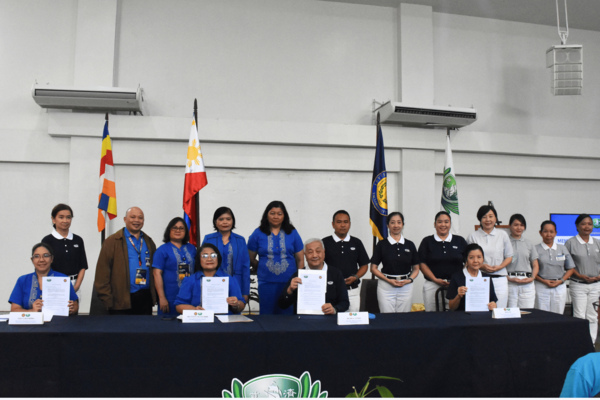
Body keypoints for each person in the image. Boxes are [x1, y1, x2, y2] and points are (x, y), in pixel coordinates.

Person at [94, 206, 157, 315]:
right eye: (132, 217)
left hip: (145, 299)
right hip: (120, 301)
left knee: (144, 331)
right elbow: (102, 274)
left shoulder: (149, 241)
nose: (136, 220)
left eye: (140, 218)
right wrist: (107, 300)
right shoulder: (112, 242)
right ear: (125, 219)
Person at [248, 201, 304, 315]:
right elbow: (250, 257)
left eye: (279, 213)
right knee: (267, 316)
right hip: (266, 283)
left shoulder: (292, 232)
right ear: (266, 215)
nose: (276, 216)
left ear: (284, 216)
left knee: (287, 316)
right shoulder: (258, 233)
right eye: (272, 213)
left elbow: (300, 259)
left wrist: (298, 277)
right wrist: (262, 267)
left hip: (289, 283)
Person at [279, 238, 349, 314]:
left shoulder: (336, 274)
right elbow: (282, 305)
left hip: (329, 320)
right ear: (305, 255)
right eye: (310, 252)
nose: (314, 255)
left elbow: (345, 302)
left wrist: (335, 309)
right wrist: (289, 291)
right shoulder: (298, 275)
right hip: (302, 321)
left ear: (324, 252)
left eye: (318, 251)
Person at [370, 212, 420, 313]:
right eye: (392, 222)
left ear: (403, 225)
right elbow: (373, 268)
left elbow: (416, 268)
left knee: (403, 319)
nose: (396, 225)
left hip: (405, 286)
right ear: (388, 225)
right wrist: (388, 280)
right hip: (386, 287)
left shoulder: (410, 244)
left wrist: (409, 280)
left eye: (399, 222)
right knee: (387, 319)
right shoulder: (382, 244)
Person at [418, 211, 468, 312]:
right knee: (432, 317)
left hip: (455, 285)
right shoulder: (427, 241)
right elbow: (421, 263)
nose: (443, 225)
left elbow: (468, 262)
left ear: (450, 224)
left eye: (446, 222)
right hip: (432, 285)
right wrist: (435, 279)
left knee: (455, 316)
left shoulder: (460, 241)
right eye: (440, 222)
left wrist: (458, 278)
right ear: (434, 224)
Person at [9, 242, 78, 315]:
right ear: (32, 260)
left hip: (58, 324)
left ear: (51, 259)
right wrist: (32, 311)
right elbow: (14, 310)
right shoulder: (22, 280)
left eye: (46, 255)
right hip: (30, 324)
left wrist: (72, 309)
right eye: (37, 256)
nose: (41, 260)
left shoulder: (63, 279)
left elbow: (75, 305)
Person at [174, 243, 245, 314]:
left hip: (225, 322)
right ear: (199, 259)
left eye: (213, 255)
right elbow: (179, 306)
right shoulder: (189, 280)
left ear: (218, 258)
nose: (209, 259)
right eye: (205, 256)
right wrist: (194, 309)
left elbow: (241, 305)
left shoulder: (230, 279)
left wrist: (236, 304)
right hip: (200, 321)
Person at [466, 205, 513, 308]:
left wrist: (499, 267)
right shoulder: (473, 236)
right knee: (480, 310)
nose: (488, 219)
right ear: (479, 219)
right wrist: (481, 266)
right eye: (484, 217)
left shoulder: (503, 234)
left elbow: (509, 256)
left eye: (491, 216)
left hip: (500, 278)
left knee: (499, 310)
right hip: (479, 278)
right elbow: (467, 259)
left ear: (495, 218)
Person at [322, 210, 369, 312]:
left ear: (350, 224)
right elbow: (318, 265)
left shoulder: (356, 242)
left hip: (352, 291)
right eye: (339, 222)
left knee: (352, 324)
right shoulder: (324, 242)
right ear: (333, 224)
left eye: (345, 222)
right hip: (330, 292)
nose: (342, 225)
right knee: (330, 324)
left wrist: (355, 277)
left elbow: (364, 265)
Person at [202, 207, 251, 303]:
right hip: (213, 284)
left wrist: (245, 292)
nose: (225, 222)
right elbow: (201, 263)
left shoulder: (240, 240)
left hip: (236, 284)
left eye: (228, 219)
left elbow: (245, 267)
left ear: (233, 221)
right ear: (215, 222)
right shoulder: (208, 239)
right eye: (221, 219)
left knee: (234, 313)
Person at [41, 204, 88, 301]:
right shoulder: (47, 240)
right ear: (53, 219)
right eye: (61, 217)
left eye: (68, 217)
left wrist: (76, 287)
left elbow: (82, 266)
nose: (65, 221)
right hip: (54, 285)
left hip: (74, 285)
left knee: (73, 314)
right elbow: (43, 266)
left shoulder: (78, 240)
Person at [565, 214, 600, 343]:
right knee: (579, 315)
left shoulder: (597, 243)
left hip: (596, 285)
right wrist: (579, 275)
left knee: (592, 315)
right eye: (583, 224)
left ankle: (590, 343)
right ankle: (579, 343)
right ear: (577, 226)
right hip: (578, 284)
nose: (587, 226)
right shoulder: (570, 243)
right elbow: (567, 265)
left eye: (590, 224)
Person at [152, 217, 196, 316]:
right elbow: (156, 274)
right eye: (174, 228)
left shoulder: (192, 249)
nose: (178, 230)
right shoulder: (162, 250)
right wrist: (162, 297)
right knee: (168, 328)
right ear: (169, 230)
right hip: (169, 297)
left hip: (191, 296)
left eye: (181, 228)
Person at [534, 220, 575, 314]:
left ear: (555, 233)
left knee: (558, 315)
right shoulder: (535, 249)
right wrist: (544, 281)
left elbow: (571, 268)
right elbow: (532, 271)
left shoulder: (562, 248)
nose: (549, 234)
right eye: (545, 231)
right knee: (542, 315)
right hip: (541, 286)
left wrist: (561, 281)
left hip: (559, 286)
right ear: (540, 233)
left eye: (551, 232)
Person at [446, 243, 498, 312]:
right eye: (471, 257)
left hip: (483, 316)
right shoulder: (456, 277)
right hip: (461, 317)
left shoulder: (486, 277)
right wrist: (458, 296)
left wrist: (493, 305)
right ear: (466, 260)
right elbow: (452, 307)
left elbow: (493, 301)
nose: (475, 261)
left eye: (479, 257)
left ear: (483, 259)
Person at [506, 214, 539, 308]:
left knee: (527, 313)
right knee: (509, 313)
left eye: (522, 225)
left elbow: (535, 265)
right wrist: (508, 278)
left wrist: (532, 278)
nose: (519, 227)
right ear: (510, 226)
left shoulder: (529, 243)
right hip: (509, 282)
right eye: (516, 225)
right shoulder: (505, 242)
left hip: (527, 282)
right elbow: (500, 264)